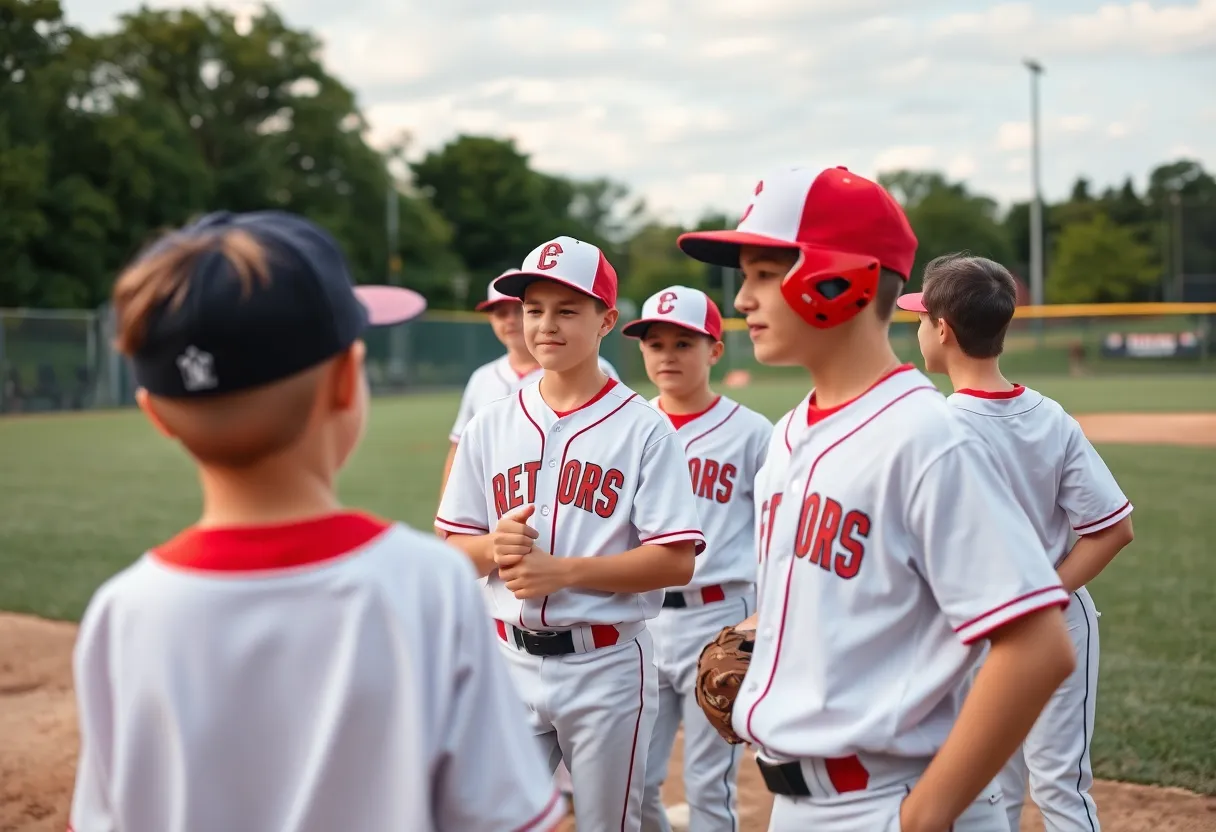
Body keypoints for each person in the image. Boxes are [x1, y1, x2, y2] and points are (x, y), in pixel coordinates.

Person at [69, 210, 568, 832]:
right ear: (346, 382)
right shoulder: (428, 584)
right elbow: (500, 816)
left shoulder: (120, 613)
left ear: (157, 415)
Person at [675, 166, 1078, 831]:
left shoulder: (928, 439)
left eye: (765, 273)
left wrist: (925, 815)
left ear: (842, 281)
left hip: (891, 799)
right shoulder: (788, 436)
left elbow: (1039, 647)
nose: (742, 298)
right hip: (797, 802)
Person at [435, 235, 707, 832]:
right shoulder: (490, 424)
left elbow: (675, 560)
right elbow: (454, 550)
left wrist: (563, 572)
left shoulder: (645, 429)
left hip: (606, 665)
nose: (545, 325)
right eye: (534, 309)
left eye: (567, 310)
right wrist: (492, 547)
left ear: (606, 320)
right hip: (507, 659)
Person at [897, 253, 1135, 832]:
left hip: (969, 623)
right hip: (1059, 618)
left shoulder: (933, 427)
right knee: (1060, 785)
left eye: (921, 319)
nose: (919, 330)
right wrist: (1043, 594)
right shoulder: (1050, 416)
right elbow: (1112, 529)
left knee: (986, 790)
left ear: (943, 330)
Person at [621, 286, 773, 832]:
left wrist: (767, 621)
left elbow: (776, 535)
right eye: (655, 343)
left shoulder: (752, 432)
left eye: (683, 343)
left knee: (710, 785)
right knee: (635, 782)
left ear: (714, 350)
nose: (667, 355)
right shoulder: (629, 426)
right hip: (641, 617)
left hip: (719, 617)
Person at [439, 275, 619, 496]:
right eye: (500, 313)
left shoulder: (595, 368)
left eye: (518, 310)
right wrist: (444, 507)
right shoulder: (481, 378)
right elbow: (459, 447)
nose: (510, 320)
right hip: (500, 498)